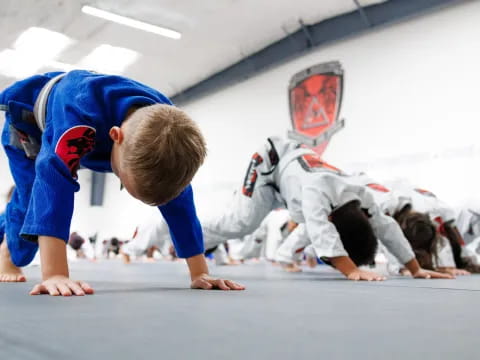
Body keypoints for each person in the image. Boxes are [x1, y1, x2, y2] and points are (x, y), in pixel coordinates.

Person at [0, 70, 244, 296]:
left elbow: (181, 207)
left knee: (173, 192)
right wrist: (55, 274)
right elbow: (53, 186)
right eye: (125, 182)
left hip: (96, 128)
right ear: (115, 136)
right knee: (32, 196)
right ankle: (8, 253)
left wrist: (200, 271)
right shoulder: (79, 119)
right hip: (29, 124)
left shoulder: (168, 136)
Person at [204, 137, 451, 281]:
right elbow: (321, 231)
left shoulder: (361, 196)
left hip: (292, 178)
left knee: (307, 221)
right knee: (241, 224)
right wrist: (351, 271)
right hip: (270, 163)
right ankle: (190, 237)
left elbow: (387, 227)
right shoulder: (316, 193)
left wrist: (415, 269)